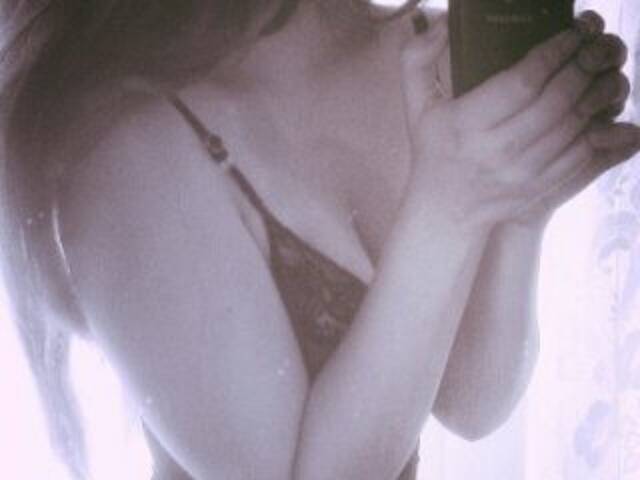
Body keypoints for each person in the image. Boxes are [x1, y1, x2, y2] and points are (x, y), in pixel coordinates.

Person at [0, 1, 637, 479]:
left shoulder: (415, 47)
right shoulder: (126, 151)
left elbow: (473, 402)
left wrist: (521, 206)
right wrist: (451, 205)